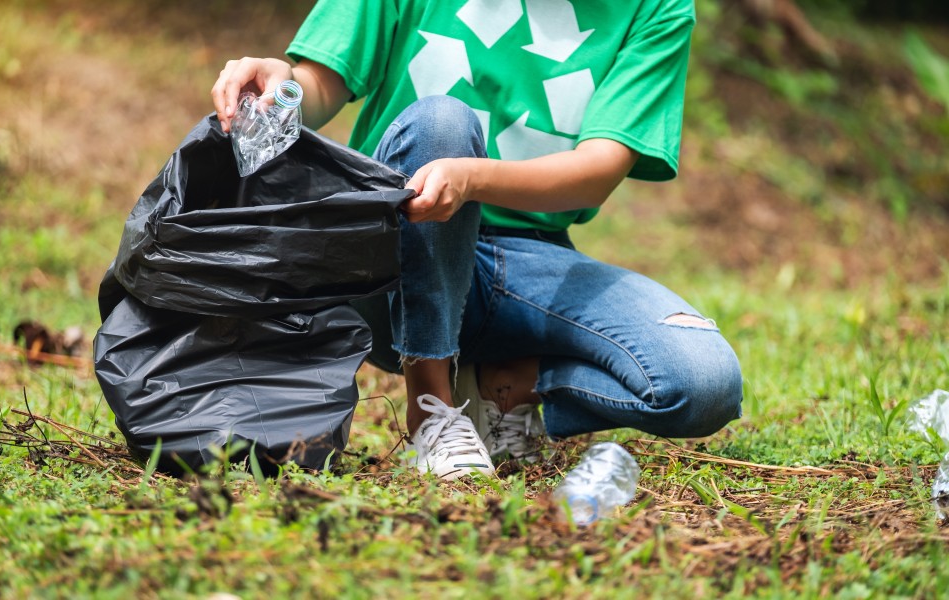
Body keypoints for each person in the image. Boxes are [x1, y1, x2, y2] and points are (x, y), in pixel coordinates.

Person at [211, 0, 743, 480]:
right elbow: (321, 83)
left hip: (526, 261)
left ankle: (506, 383)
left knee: (702, 382)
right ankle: (431, 408)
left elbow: (598, 167)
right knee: (442, 120)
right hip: (386, 258)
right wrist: (282, 86)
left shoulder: (658, 7)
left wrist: (471, 180)